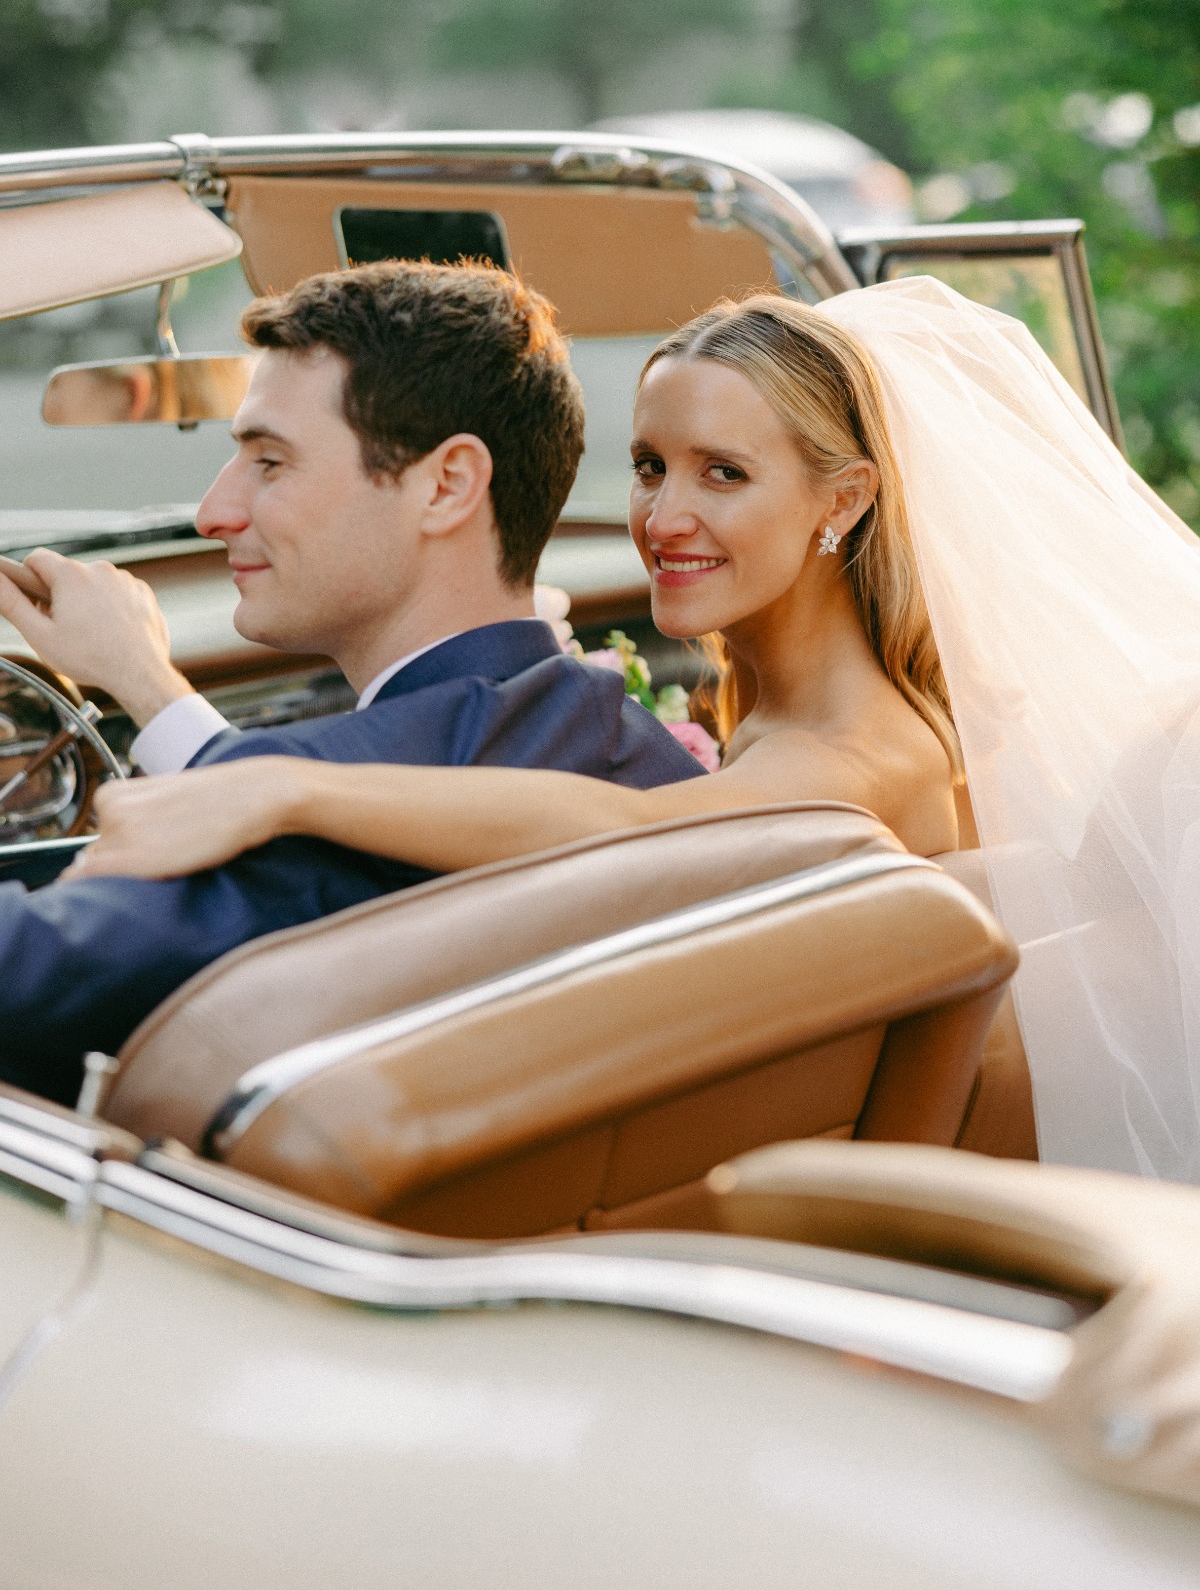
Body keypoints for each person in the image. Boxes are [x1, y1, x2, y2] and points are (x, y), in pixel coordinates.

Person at [78, 278, 1200, 1186]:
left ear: (844, 501)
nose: (665, 520)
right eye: (651, 467)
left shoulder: (852, 758)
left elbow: (631, 829)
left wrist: (281, 788)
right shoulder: (836, 713)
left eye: (725, 474)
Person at [0, 260, 705, 1105]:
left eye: (269, 462)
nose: (213, 513)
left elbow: (25, 968)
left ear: (447, 485)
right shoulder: (632, 750)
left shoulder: (310, 831)